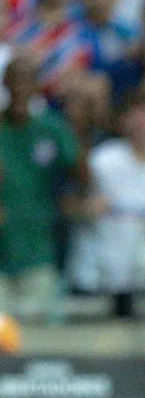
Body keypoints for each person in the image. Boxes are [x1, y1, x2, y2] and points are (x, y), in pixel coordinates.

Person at [67, 95, 145, 316]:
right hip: (95, 267)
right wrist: (86, 207)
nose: (143, 123)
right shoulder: (102, 158)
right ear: (124, 121)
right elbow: (70, 200)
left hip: (137, 268)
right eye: (138, 115)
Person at [0, 56, 81, 313]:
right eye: (15, 79)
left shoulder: (53, 128)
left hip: (38, 250)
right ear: (5, 83)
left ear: (38, 86)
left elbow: (82, 175)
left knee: (34, 338)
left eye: (28, 80)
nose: (21, 87)